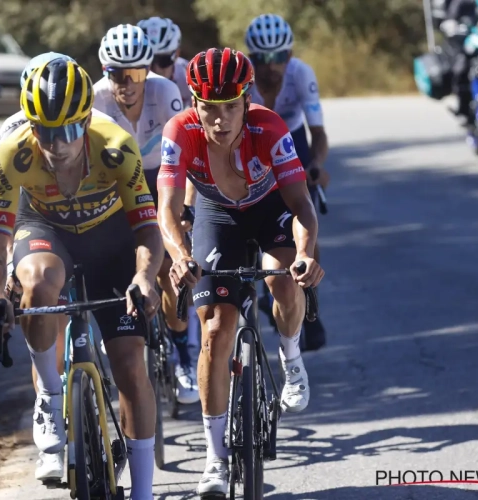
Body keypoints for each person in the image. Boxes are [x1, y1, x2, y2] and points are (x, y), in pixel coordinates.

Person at [0, 58, 162, 499]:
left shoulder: (116, 144)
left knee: (130, 369)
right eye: (44, 130)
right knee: (37, 286)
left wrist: (144, 276)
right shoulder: (12, 151)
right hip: (46, 231)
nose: (56, 144)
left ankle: (142, 492)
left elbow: (146, 229)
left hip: (112, 239)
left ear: (86, 119)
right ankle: (47, 397)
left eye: (67, 131)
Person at [157, 47, 324, 497]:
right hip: (216, 215)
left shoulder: (269, 127)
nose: (220, 119)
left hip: (269, 208)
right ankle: (214, 459)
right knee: (215, 327)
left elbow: (302, 206)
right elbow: (168, 211)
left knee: (281, 279)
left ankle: (291, 357)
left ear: (246, 100)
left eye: (230, 107)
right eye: (209, 108)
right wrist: (178, 254)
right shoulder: (179, 132)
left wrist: (305, 254)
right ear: (194, 103)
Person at [0, 51, 120, 482]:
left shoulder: (98, 128)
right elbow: (0, 224)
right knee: (38, 301)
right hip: (38, 216)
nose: (55, 138)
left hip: (94, 218)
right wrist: (7, 279)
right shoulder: (13, 136)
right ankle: (48, 402)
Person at [94, 23, 200, 406]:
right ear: (106, 73)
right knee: (121, 258)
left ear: (147, 71)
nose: (126, 83)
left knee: (170, 267)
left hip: (161, 177)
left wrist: (184, 207)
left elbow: (185, 156)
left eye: (136, 73)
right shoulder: (96, 100)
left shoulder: (166, 91)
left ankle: (183, 356)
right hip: (118, 182)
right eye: (116, 75)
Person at [244, 13, 329, 350]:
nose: (271, 66)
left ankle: (311, 301)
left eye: (279, 56)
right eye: (262, 58)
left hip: (292, 140)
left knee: (306, 216)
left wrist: (318, 166)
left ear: (289, 56)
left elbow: (318, 134)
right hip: (251, 144)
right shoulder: (244, 80)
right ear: (251, 58)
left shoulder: (301, 74)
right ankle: (265, 286)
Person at [137, 17, 191, 107]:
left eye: (163, 61)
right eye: (148, 61)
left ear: (177, 54)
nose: (156, 69)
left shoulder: (188, 75)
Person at [439, 0, 478, 119]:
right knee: (462, 69)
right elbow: (451, 18)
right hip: (473, 41)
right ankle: (464, 109)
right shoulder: (462, 2)